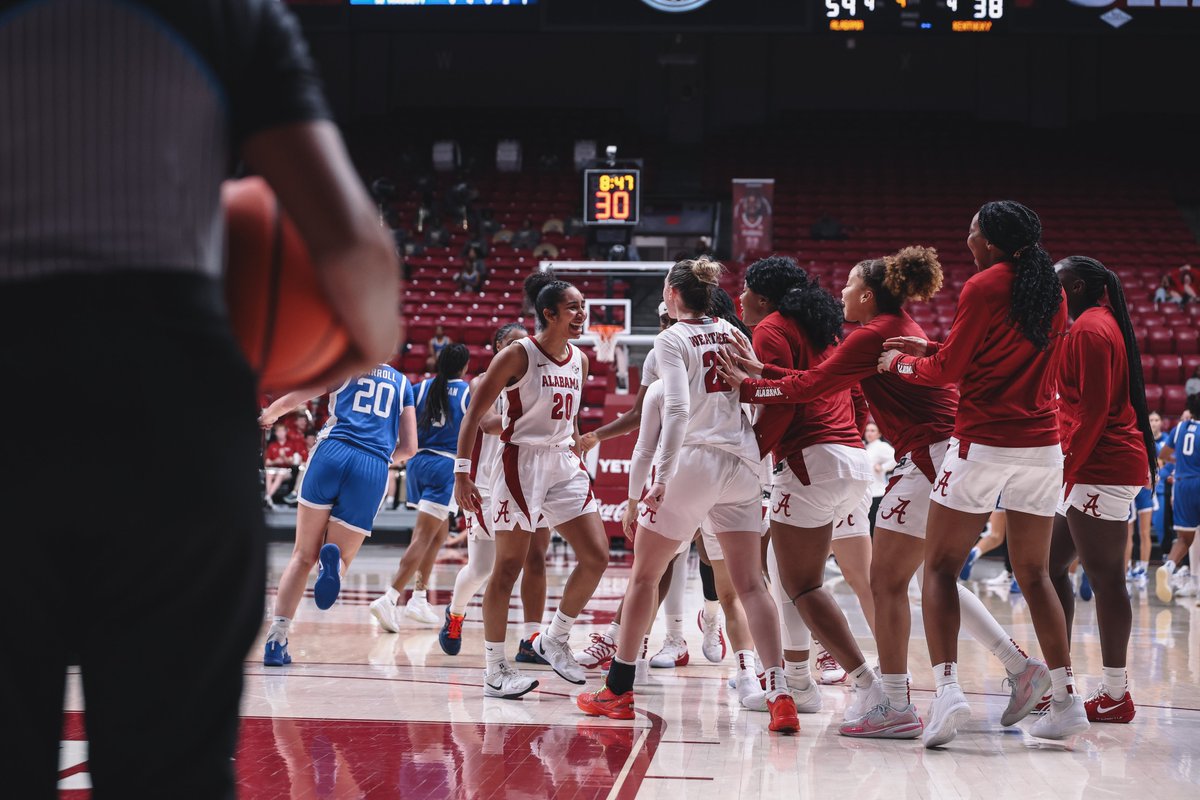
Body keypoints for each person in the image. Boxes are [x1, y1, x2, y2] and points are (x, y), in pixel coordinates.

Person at [0, 2, 402, 795]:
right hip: (169, 408)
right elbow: (354, 249)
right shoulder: (228, 14)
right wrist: (363, 350)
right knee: (171, 771)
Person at [721, 246, 1048, 740]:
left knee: (884, 582)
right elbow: (823, 384)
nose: (842, 293)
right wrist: (762, 374)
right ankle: (1016, 667)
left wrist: (747, 387)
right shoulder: (902, 327)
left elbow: (810, 388)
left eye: (850, 285)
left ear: (869, 294)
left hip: (926, 459)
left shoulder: (870, 335)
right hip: (945, 453)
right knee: (922, 576)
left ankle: (896, 699)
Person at [877, 201, 1086, 742]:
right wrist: (932, 346)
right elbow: (988, 354)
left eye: (969, 230)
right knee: (1036, 574)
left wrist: (903, 363)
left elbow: (947, 373)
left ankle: (948, 694)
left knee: (941, 569)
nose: (965, 239)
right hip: (1042, 447)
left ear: (989, 241)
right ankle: (1066, 701)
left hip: (984, 443)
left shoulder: (984, 285)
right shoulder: (1051, 289)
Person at [576, 257, 801, 734]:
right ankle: (780, 694)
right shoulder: (734, 332)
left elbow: (676, 408)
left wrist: (657, 482)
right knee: (751, 584)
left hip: (694, 460)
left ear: (674, 293)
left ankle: (617, 691)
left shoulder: (671, 338)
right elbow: (756, 393)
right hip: (742, 462)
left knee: (643, 578)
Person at [725, 256, 882, 725]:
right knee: (791, 572)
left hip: (811, 460)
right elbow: (853, 397)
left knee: (801, 585)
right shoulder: (825, 328)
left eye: (748, 289)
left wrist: (750, 451)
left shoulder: (771, 328)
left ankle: (870, 686)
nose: (740, 298)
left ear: (766, 297)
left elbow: (781, 408)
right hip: (850, 458)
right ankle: (801, 677)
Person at [453, 271, 609, 698]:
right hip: (519, 461)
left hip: (562, 460)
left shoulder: (581, 359)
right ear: (549, 313)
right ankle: (494, 668)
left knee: (596, 556)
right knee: (506, 567)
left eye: (582, 306)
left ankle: (554, 638)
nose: (581, 313)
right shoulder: (518, 355)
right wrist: (462, 473)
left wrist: (577, 444)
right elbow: (473, 417)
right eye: (573, 307)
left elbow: (572, 417)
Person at [1046, 256, 1158, 724]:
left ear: (1073, 285)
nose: (1049, 288)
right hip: (1087, 462)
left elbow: (1092, 412)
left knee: (1106, 578)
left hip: (1100, 464)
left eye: (1055, 282)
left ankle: (1115, 692)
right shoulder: (1092, 324)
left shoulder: (1092, 329)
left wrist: (1066, 466)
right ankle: (1061, 682)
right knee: (1045, 567)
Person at [261, 363, 418, 665]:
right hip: (372, 466)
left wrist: (268, 416)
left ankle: (276, 640)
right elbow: (410, 447)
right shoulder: (402, 383)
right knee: (341, 558)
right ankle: (330, 565)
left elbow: (295, 399)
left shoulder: (347, 367)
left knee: (301, 555)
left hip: (331, 453)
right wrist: (385, 458)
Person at [437, 323, 554, 666]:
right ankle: (456, 613)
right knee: (482, 568)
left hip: (534, 480)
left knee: (535, 560)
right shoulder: (482, 381)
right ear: (498, 349)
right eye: (511, 345)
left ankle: (531, 639)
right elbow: (487, 423)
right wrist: (534, 420)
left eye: (524, 344)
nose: (520, 351)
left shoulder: (540, 378)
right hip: (490, 484)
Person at [370, 345, 472, 630]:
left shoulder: (421, 386)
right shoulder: (467, 392)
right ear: (464, 367)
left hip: (417, 464)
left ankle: (419, 596)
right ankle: (390, 598)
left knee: (437, 535)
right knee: (423, 536)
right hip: (444, 467)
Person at [1155, 394, 1200, 601]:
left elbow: (1163, 454)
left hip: (1181, 484)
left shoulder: (1180, 428)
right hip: (1198, 481)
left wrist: (1181, 460)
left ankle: (1169, 566)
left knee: (1185, 538)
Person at [863, 423, 897, 533]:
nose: (869, 433)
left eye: (872, 430)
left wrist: (883, 467)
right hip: (865, 493)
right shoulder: (865, 446)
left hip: (877, 492)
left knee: (873, 526)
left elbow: (895, 457)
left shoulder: (881, 446)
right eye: (867, 430)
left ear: (879, 434)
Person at [264, 423, 305, 506]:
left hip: (287, 470)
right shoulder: (272, 445)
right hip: (274, 469)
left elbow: (294, 462)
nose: (280, 433)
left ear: (286, 432)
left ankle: (267, 496)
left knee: (280, 474)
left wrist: (284, 457)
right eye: (278, 431)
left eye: (282, 431)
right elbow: (267, 462)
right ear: (275, 433)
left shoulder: (291, 444)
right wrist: (275, 461)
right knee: (269, 473)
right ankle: (268, 497)